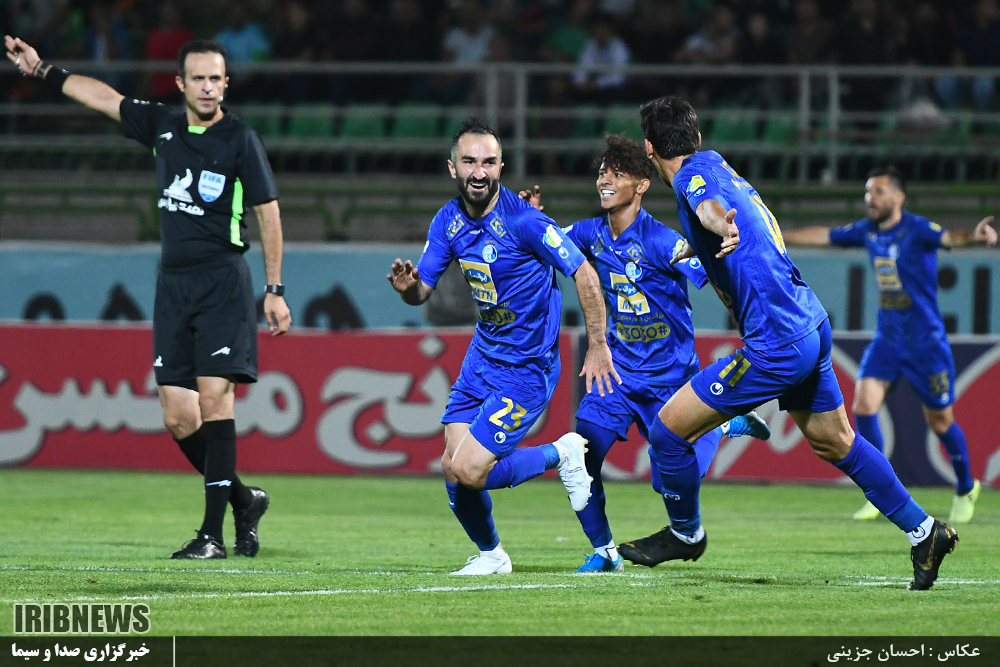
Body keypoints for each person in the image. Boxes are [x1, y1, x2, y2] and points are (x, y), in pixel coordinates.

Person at [623, 96, 958, 591]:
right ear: (697, 137)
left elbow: (710, 208)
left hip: (777, 342)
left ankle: (685, 533)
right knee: (835, 441)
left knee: (668, 431)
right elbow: (734, 215)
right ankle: (925, 532)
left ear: (649, 148)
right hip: (808, 322)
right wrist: (706, 243)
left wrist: (718, 225)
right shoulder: (716, 163)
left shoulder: (694, 178)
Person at [4, 35, 292, 559]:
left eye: (216, 78)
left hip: (222, 282)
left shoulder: (240, 139)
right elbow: (105, 98)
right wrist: (43, 69)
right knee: (179, 417)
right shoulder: (163, 126)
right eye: (198, 78)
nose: (208, 87)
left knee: (215, 400)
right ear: (181, 83)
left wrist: (274, 289)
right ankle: (244, 500)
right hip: (173, 286)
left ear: (226, 84)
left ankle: (211, 536)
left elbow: (268, 212)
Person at [519, 134, 771, 572]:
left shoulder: (662, 241)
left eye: (617, 174)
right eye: (602, 172)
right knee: (582, 456)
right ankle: (604, 551)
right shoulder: (590, 234)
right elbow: (550, 244)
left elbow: (714, 274)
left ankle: (720, 424)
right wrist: (535, 221)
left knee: (664, 479)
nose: (605, 180)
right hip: (617, 374)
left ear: (641, 185)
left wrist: (749, 318)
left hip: (670, 379)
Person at [387, 117, 619, 575]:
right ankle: (492, 556)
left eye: (489, 162)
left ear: (501, 166)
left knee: (470, 470)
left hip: (526, 369)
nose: (479, 172)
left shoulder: (525, 221)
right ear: (452, 168)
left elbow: (585, 273)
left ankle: (563, 454)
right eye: (469, 161)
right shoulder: (448, 221)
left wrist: (598, 345)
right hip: (482, 359)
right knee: (452, 467)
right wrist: (407, 289)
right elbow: (422, 292)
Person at [782, 166, 996, 524]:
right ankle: (880, 490)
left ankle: (965, 487)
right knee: (864, 406)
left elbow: (951, 237)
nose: (871, 198)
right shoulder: (867, 231)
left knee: (940, 422)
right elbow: (825, 235)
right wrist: (777, 235)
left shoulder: (917, 229)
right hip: (887, 339)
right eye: (868, 191)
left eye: (879, 191)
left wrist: (974, 237)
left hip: (925, 342)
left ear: (899, 196)